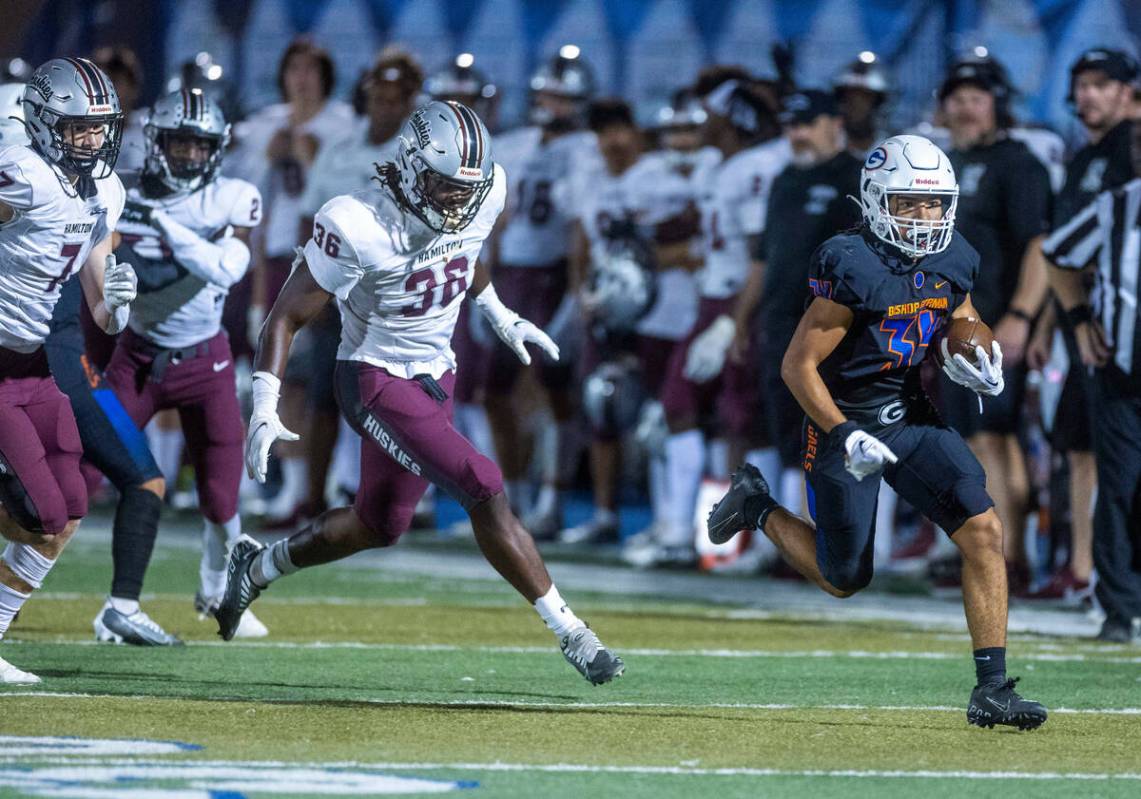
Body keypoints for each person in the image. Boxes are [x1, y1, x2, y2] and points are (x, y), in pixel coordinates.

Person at [216, 101, 625, 685]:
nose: (459, 201)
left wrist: (498, 312)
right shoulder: (357, 222)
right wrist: (263, 404)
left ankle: (256, 567)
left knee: (379, 524)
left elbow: (466, 254)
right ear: (410, 166)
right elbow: (284, 317)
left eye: (468, 189)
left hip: (438, 371)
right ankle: (573, 634)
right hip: (373, 377)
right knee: (482, 482)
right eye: (446, 186)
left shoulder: (483, 193)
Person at [707, 135, 1048, 729]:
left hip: (908, 410)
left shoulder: (955, 254)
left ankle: (992, 688)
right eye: (908, 204)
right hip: (842, 416)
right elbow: (798, 366)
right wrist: (841, 433)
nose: (925, 217)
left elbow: (962, 316)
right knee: (845, 578)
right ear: (873, 200)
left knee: (984, 530)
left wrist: (979, 356)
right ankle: (756, 505)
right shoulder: (850, 261)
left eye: (936, 203)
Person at [103, 88, 266, 638]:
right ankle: (24, 587)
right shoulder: (120, 192)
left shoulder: (233, 197)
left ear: (216, 150)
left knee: (221, 498)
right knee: (74, 475)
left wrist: (167, 226)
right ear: (156, 142)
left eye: (200, 146)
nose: (189, 156)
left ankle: (219, 594)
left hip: (206, 363)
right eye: (179, 143)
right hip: (137, 358)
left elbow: (224, 270)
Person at [0, 57, 138, 682]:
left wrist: (119, 304)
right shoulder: (21, 174)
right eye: (78, 127)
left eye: (98, 128)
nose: (92, 140)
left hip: (32, 363)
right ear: (43, 120)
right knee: (41, 511)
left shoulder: (105, 189)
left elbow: (102, 317)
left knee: (72, 505)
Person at [631, 70, 788, 567]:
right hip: (715, 300)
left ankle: (760, 541)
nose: (705, 124)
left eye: (714, 116)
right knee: (685, 407)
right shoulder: (724, 166)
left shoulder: (759, 167)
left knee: (749, 421)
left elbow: (764, 251)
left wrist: (733, 320)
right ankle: (685, 530)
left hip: (740, 302)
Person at [287, 49, 424, 528]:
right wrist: (315, 279)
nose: (385, 105)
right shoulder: (339, 147)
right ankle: (313, 498)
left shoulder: (417, 153)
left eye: (395, 98)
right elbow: (311, 216)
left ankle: (392, 499)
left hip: (391, 297)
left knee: (390, 399)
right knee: (326, 396)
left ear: (410, 101)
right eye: (378, 96)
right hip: (337, 291)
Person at [1025, 48, 1137, 602]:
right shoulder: (1083, 156)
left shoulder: (1130, 148)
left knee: (1110, 455)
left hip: (1120, 329)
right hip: (1087, 328)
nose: (1088, 95)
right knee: (1079, 446)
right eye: (1082, 85)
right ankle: (1087, 567)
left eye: (1101, 84)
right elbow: (1064, 252)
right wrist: (1050, 323)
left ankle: (1102, 569)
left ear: (1128, 91)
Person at [937, 58, 1053, 592]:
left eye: (976, 96)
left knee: (993, 440)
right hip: (954, 326)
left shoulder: (1017, 162)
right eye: (957, 97)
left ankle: (1007, 561)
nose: (965, 106)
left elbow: (1039, 243)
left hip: (993, 322)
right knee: (983, 439)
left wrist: (1021, 316)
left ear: (997, 103)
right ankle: (1012, 558)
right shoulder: (947, 162)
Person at [725, 88, 863, 527]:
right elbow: (763, 258)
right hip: (780, 318)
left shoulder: (855, 177)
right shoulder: (785, 179)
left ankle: (837, 534)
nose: (797, 134)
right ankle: (792, 535)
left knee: (827, 425)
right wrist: (740, 320)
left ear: (834, 123)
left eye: (806, 123)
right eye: (791, 125)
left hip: (830, 324)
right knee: (785, 425)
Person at [230, 38, 354, 522]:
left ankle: (329, 482)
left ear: (325, 75)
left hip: (327, 256)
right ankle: (290, 486)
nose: (301, 77)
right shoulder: (267, 125)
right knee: (273, 376)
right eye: (294, 67)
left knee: (319, 377)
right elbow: (253, 205)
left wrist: (306, 156)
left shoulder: (340, 125)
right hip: (276, 254)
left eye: (310, 68)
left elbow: (340, 195)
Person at [483, 46, 600, 536]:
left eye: (563, 96)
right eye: (548, 94)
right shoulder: (514, 143)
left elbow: (581, 225)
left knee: (555, 389)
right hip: (510, 274)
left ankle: (552, 498)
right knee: (493, 389)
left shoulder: (588, 147)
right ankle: (512, 496)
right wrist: (484, 274)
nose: (553, 103)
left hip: (553, 275)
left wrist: (577, 292)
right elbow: (493, 217)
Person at [1042, 113, 1141, 643]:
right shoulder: (1118, 204)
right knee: (1119, 487)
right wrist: (1080, 320)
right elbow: (1058, 256)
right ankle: (1119, 611)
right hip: (1123, 373)